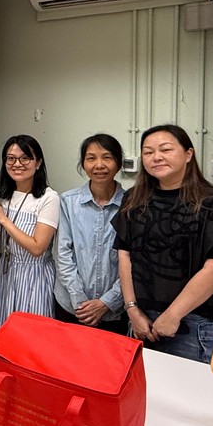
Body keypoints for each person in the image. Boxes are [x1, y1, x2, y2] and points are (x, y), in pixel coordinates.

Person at [114, 124, 213, 363]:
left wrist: (172, 316)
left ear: (188, 154)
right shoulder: (134, 198)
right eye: (148, 152)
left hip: (199, 324)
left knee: (197, 388)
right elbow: (125, 255)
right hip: (143, 319)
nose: (156, 157)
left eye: (165, 149)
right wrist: (132, 309)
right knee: (146, 386)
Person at [0, 135, 59, 331]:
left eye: (25, 158)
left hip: (34, 275)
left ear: (38, 163)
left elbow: (37, 247)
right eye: (11, 158)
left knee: (31, 335)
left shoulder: (49, 198)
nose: (17, 164)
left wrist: (3, 219)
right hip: (7, 273)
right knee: (5, 334)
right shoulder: (6, 198)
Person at [53, 133, 129, 335]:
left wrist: (107, 302)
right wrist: (81, 302)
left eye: (107, 157)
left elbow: (134, 260)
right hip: (71, 306)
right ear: (83, 163)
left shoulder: (132, 204)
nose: (99, 165)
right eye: (91, 158)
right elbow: (62, 254)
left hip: (115, 310)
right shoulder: (68, 202)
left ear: (118, 163)